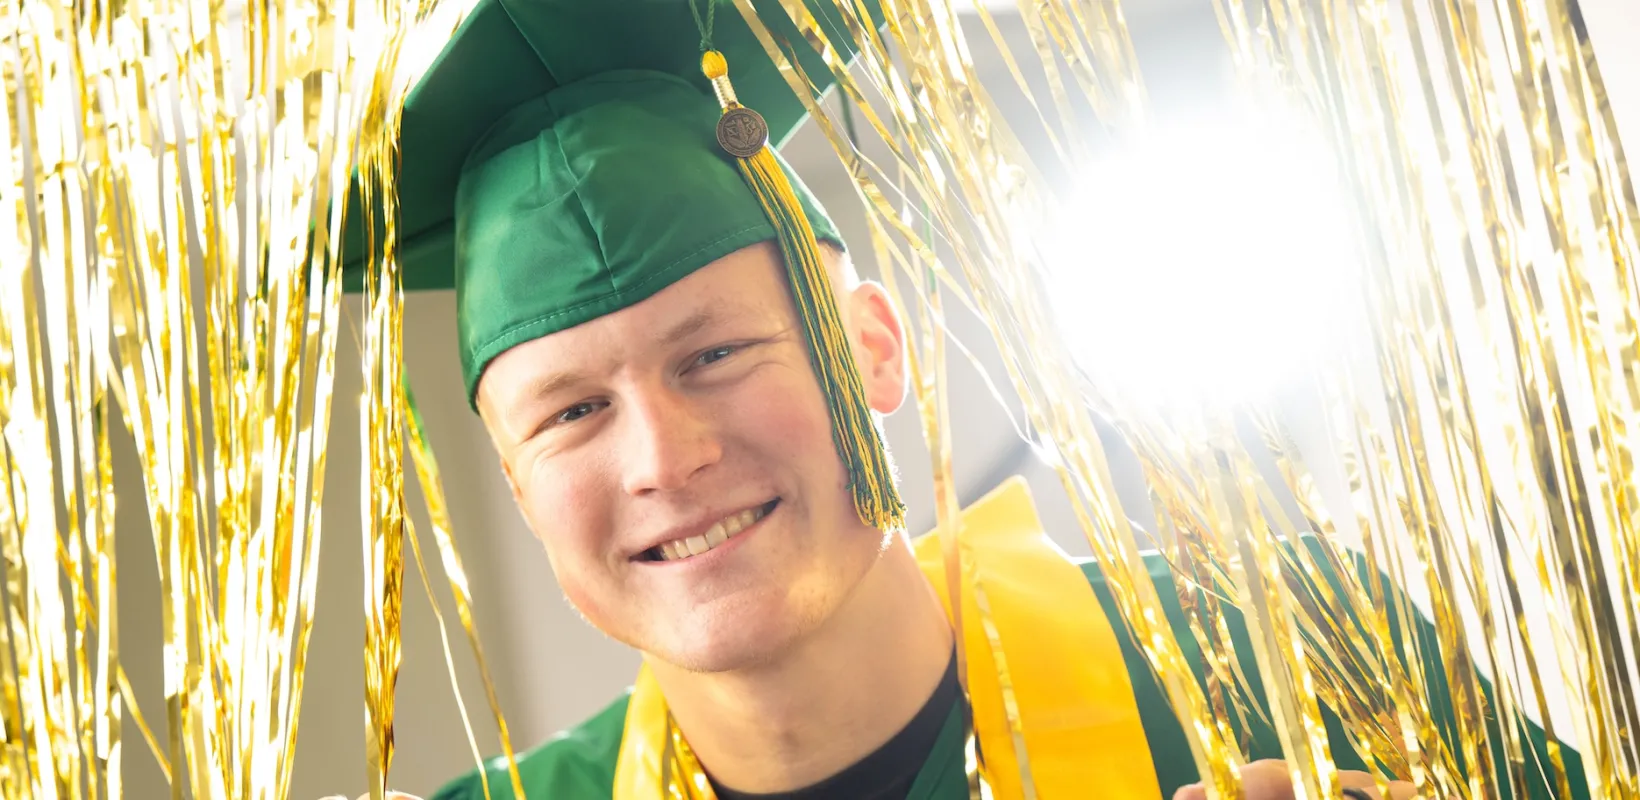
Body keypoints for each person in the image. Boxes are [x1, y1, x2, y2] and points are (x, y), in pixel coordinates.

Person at [334, 0, 1588, 797]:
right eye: (570, 413)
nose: (664, 454)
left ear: (873, 348)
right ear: (516, 486)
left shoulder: (1290, 648)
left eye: (712, 354)